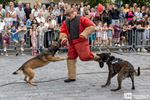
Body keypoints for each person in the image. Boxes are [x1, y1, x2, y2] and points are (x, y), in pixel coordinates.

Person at [59, 8, 102, 83]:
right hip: (72, 43)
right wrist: (64, 38)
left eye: (69, 16)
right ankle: (71, 77)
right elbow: (63, 31)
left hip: (81, 41)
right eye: (67, 16)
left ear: (73, 13)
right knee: (70, 58)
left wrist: (84, 33)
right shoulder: (65, 22)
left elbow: (92, 26)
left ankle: (99, 58)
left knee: (85, 57)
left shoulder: (82, 19)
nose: (68, 18)